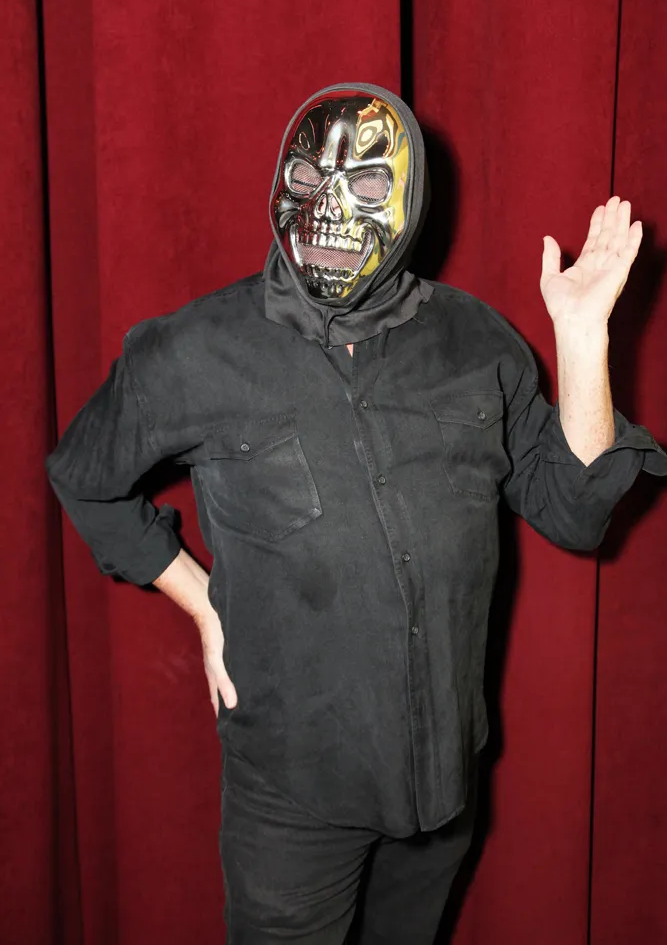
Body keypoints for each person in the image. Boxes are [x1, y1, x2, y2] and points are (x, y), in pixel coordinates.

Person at [45, 83, 667, 945]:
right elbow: (83, 477)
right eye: (306, 177)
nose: (328, 206)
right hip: (292, 794)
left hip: (442, 781)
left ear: (409, 201)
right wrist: (201, 599)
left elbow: (575, 510)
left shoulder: (478, 344)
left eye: (367, 183)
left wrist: (583, 334)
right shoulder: (188, 351)